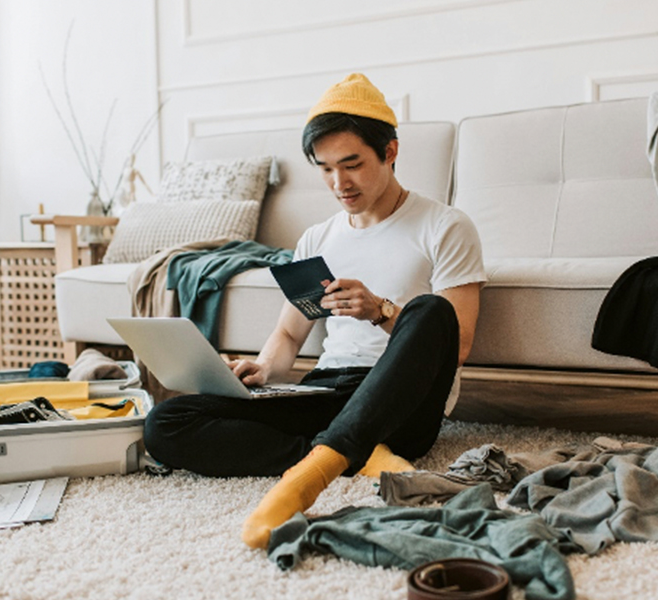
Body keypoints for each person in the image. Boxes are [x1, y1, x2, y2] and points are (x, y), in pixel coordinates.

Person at [143, 73, 487, 549]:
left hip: (401, 401)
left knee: (429, 310)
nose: (339, 183)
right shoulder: (317, 239)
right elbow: (288, 337)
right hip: (328, 391)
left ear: (390, 152)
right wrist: (261, 370)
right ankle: (351, 454)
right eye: (324, 168)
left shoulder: (445, 226)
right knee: (165, 424)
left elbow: (458, 342)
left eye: (352, 164)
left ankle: (310, 475)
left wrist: (380, 310)